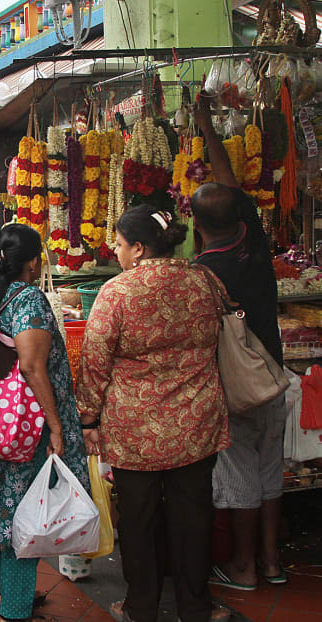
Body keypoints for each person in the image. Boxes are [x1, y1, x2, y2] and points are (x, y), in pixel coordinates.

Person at [76, 204, 231, 622]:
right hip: (197, 421)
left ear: (140, 248)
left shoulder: (118, 292)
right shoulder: (204, 279)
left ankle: (141, 607)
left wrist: (88, 419)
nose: (118, 252)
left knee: (140, 523)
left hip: (135, 429)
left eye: (122, 245)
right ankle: (194, 607)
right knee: (193, 518)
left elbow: (94, 362)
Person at [0, 223, 87, 622]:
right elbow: (31, 365)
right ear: (33, 260)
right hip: (22, 429)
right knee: (22, 521)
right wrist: (57, 425)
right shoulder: (29, 299)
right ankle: (15, 610)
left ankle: (4, 595)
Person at [192, 94, 288, 590]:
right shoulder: (253, 242)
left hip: (235, 391)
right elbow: (228, 185)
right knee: (272, 472)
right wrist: (207, 128)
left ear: (195, 226)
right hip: (276, 376)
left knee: (241, 478)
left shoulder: (203, 274)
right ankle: (272, 562)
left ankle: (245, 567)